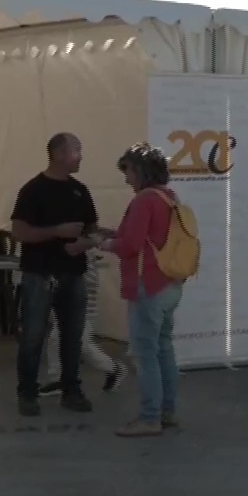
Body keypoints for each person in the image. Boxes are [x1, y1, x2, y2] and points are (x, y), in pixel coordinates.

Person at [9, 133, 102, 418]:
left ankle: (71, 389)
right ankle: (27, 392)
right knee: (33, 335)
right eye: (77, 150)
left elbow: (91, 228)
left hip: (73, 274)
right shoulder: (33, 190)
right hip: (40, 275)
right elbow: (19, 232)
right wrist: (56, 232)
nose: (81, 156)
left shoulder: (80, 190)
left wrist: (85, 243)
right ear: (59, 153)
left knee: (72, 335)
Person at [103, 144, 185, 437]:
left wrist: (103, 244)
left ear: (139, 170)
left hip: (147, 285)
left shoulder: (143, 201)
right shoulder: (168, 197)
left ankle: (150, 417)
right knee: (163, 349)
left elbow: (131, 245)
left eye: (128, 171)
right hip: (169, 283)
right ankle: (166, 412)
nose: (126, 179)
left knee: (145, 353)